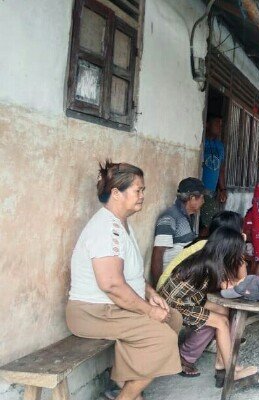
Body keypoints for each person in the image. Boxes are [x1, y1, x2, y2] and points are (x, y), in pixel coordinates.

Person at [66, 160, 182, 400]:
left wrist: (150, 293)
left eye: (143, 190)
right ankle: (126, 396)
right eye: (138, 190)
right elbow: (111, 285)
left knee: (173, 318)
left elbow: (130, 275)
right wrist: (149, 311)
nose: (142, 196)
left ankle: (126, 384)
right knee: (162, 338)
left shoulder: (120, 224)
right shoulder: (105, 229)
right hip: (93, 312)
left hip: (112, 308)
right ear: (116, 193)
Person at [159, 227, 259, 386]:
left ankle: (221, 362)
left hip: (183, 302)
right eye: (238, 251)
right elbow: (236, 287)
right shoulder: (210, 266)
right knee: (221, 322)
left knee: (221, 309)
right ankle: (232, 371)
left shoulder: (208, 258)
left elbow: (234, 285)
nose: (239, 255)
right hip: (173, 307)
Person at [150, 177, 205, 287]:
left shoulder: (188, 216)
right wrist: (159, 287)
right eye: (202, 198)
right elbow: (157, 255)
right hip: (172, 282)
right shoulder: (169, 217)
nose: (203, 201)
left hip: (183, 277)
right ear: (192, 198)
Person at [200, 115, 228, 235]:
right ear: (207, 125)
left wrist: (223, 189)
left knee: (209, 225)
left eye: (221, 125)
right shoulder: (201, 142)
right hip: (198, 191)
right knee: (206, 225)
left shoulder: (219, 146)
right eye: (217, 124)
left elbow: (221, 169)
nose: (219, 127)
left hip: (211, 192)